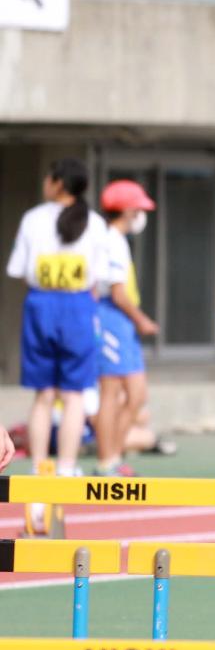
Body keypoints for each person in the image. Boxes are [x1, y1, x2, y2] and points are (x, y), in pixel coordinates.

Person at [7, 158, 107, 531]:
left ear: (56, 182)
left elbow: (19, 270)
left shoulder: (34, 219)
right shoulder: (95, 224)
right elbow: (101, 275)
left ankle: (39, 472)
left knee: (43, 395)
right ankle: (66, 469)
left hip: (42, 303)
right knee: (76, 393)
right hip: (79, 306)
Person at [93, 179, 160, 477]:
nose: (140, 216)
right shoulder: (111, 240)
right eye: (138, 209)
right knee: (111, 392)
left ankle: (113, 455)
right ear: (127, 210)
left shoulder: (115, 240)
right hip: (111, 318)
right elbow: (118, 293)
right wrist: (141, 319)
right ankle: (107, 460)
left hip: (120, 321)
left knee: (136, 394)